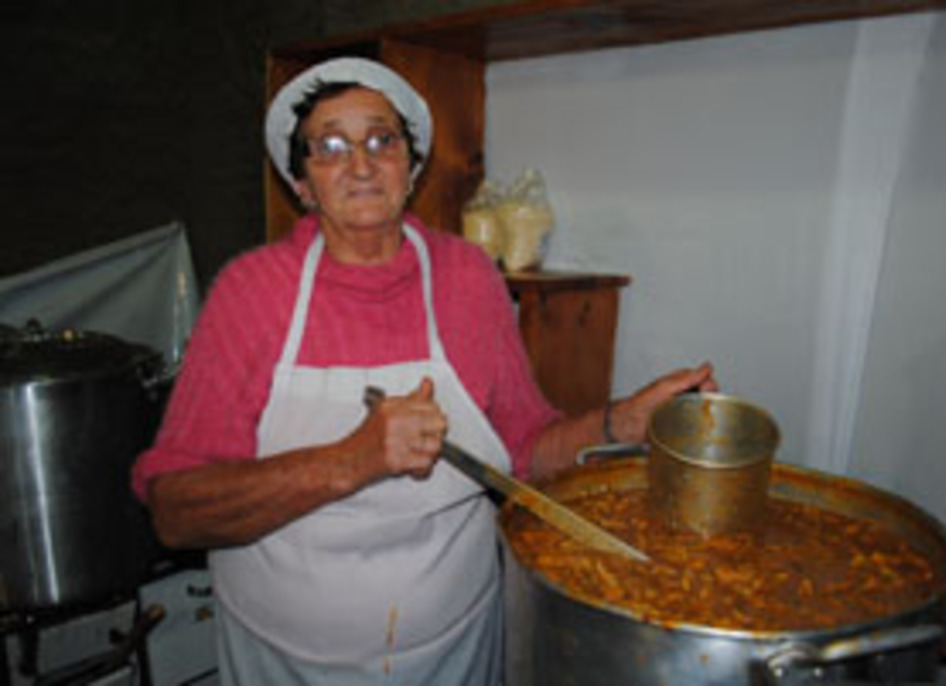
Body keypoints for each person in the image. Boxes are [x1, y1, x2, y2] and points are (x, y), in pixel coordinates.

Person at [132, 57, 717, 686]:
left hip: (455, 650)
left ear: (410, 168)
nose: (360, 164)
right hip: (286, 661)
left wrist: (619, 421)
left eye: (382, 139)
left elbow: (524, 451)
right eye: (329, 147)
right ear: (301, 183)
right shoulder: (251, 293)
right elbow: (178, 511)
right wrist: (352, 460)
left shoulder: (468, 277)